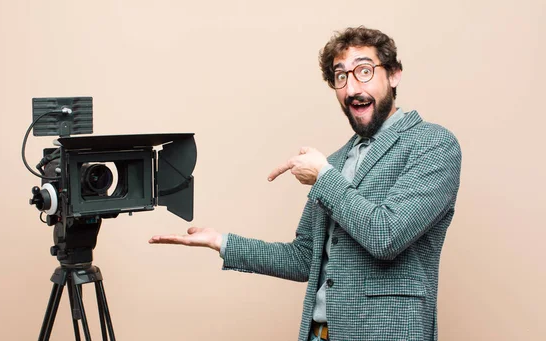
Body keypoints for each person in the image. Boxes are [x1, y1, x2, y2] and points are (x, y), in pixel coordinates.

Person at [149, 26, 462, 341]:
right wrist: (223, 242)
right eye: (341, 76)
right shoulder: (337, 161)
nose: (352, 87)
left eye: (364, 71)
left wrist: (323, 177)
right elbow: (304, 258)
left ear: (394, 74)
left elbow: (387, 236)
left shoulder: (433, 144)